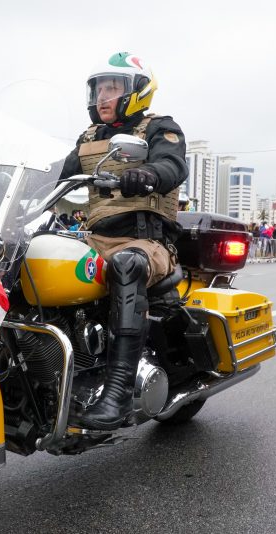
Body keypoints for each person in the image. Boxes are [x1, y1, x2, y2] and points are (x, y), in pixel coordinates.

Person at [60, 52, 187, 430]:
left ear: (137, 91)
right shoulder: (88, 139)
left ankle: (116, 393)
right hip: (94, 239)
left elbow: (174, 165)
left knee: (126, 265)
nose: (102, 97)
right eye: (99, 89)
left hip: (146, 243)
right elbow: (57, 176)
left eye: (111, 88)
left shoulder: (158, 127)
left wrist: (147, 173)